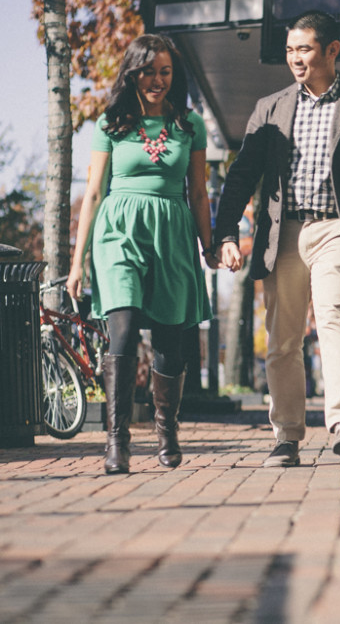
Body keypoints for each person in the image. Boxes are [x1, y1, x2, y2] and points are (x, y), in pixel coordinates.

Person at [213, 10, 340, 467]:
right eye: (291, 49)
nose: (296, 58)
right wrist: (225, 234)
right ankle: (287, 435)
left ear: (332, 50)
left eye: (306, 49)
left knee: (335, 318)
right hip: (285, 231)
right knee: (282, 338)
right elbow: (242, 177)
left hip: (338, 228)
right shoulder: (270, 108)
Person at [67, 34, 217, 474]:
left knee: (170, 338)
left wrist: (208, 246)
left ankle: (166, 433)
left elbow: (200, 193)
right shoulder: (110, 123)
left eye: (166, 72)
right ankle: (117, 442)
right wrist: (78, 262)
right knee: (125, 327)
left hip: (171, 231)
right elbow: (94, 192)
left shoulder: (190, 125)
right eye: (149, 71)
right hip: (118, 232)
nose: (157, 80)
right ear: (133, 72)